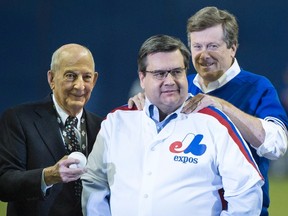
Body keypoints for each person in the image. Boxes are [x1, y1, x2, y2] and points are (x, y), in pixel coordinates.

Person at [128, 6, 288, 216]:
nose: (204, 55)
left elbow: (277, 145)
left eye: (213, 45)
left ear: (233, 47)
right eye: (197, 46)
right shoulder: (181, 88)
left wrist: (222, 107)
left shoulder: (257, 87)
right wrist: (144, 106)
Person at [82, 34, 264, 216]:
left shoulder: (214, 122)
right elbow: (94, 183)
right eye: (160, 74)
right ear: (142, 78)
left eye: (177, 72)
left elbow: (247, 189)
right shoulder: (117, 122)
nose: (170, 81)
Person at [0, 43, 103, 216]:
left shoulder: (103, 128)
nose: (79, 86)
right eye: (70, 76)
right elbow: (4, 183)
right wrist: (48, 176)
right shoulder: (19, 119)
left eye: (86, 77)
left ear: (94, 80)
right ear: (51, 79)